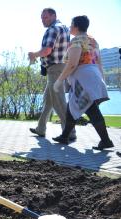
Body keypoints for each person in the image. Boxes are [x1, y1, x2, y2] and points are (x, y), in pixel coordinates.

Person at [52, 16, 113, 150]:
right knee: (72, 105)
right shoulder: (93, 41)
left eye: (71, 24)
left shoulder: (76, 41)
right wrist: (101, 80)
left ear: (76, 26)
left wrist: (59, 80)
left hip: (83, 78)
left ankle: (106, 140)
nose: (69, 27)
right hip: (93, 76)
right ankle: (65, 136)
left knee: (91, 109)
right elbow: (99, 63)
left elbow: (73, 64)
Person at [28, 8, 76, 141]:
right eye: (42, 18)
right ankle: (41, 128)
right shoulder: (65, 28)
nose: (43, 20)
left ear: (54, 16)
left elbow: (47, 50)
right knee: (48, 101)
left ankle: (70, 132)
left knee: (59, 101)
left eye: (46, 17)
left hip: (55, 69)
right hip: (60, 67)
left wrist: (34, 55)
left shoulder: (53, 29)